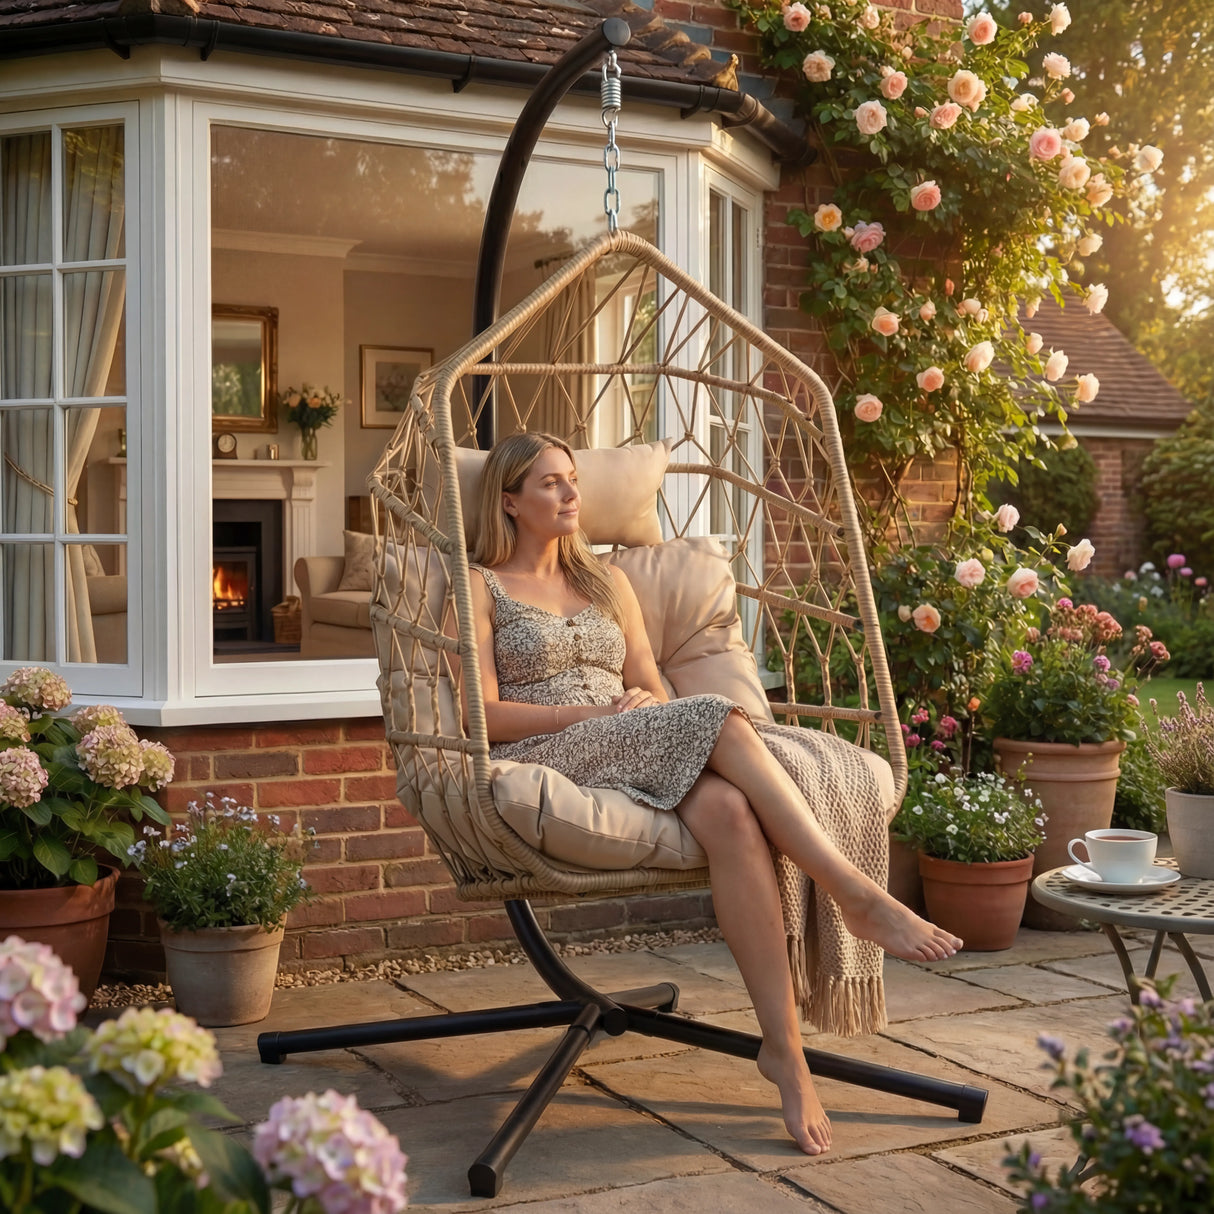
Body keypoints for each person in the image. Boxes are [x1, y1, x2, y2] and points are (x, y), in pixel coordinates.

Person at [464, 432, 962, 1158]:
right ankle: (854, 892)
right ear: (509, 500)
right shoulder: (481, 586)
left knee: (730, 810)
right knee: (723, 717)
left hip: (634, 732)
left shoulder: (609, 582)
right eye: (549, 483)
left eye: (573, 478)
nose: (571, 493)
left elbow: (653, 684)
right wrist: (594, 716)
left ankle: (783, 1051)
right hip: (551, 744)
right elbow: (488, 714)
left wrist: (649, 715)